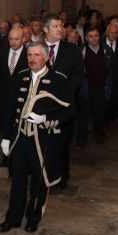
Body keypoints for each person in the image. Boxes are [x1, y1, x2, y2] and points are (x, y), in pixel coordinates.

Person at [0, 42, 73, 234]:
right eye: (29, 55)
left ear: (46, 58)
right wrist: (6, 137)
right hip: (19, 138)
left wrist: (46, 118)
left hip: (43, 140)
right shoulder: (20, 77)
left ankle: (33, 218)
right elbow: (9, 108)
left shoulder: (58, 80)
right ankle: (12, 218)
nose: (32, 59)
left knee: (40, 181)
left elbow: (69, 112)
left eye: (37, 55)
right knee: (18, 180)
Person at [43, 14, 84, 189]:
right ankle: (42, 176)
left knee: (62, 142)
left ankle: (61, 176)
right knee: (42, 143)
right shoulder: (36, 48)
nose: (61, 29)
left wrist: (63, 93)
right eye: (56, 26)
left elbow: (77, 75)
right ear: (46, 29)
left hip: (63, 105)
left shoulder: (72, 50)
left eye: (61, 26)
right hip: (41, 105)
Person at [0, 25, 28, 166]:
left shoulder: (28, 54)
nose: (13, 42)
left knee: (18, 127)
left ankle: (17, 156)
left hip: (21, 99)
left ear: (24, 39)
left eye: (16, 39)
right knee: (4, 126)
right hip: (4, 98)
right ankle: (6, 154)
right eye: (11, 39)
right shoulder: (2, 52)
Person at [77, 28, 114, 145]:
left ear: (99, 36)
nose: (93, 38)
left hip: (101, 88)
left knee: (100, 114)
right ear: (86, 38)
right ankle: (81, 139)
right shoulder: (81, 51)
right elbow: (77, 70)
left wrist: (109, 84)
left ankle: (100, 135)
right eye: (91, 36)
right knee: (84, 115)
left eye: (96, 35)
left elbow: (112, 69)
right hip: (86, 88)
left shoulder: (106, 50)